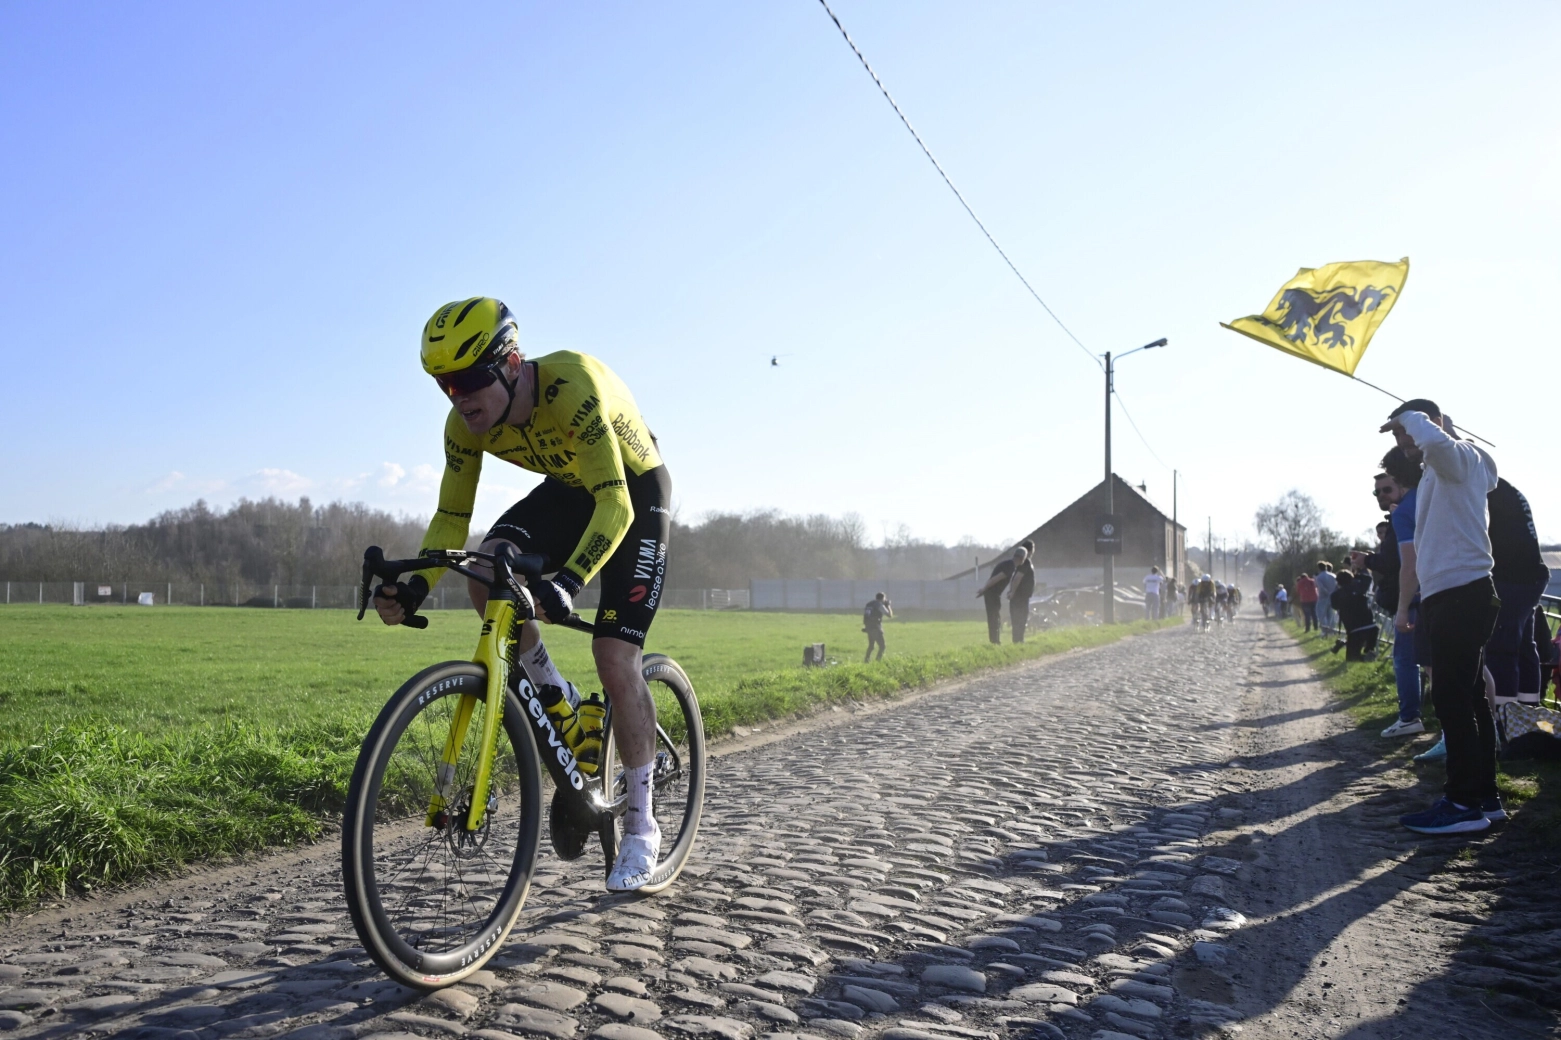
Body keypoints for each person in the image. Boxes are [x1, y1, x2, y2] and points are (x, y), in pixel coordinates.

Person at [374, 297, 672, 891]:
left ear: (510, 362)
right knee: (485, 575)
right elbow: (451, 517)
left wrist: (569, 582)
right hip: (566, 489)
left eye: (467, 379)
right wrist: (413, 589)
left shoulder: (571, 388)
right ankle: (556, 694)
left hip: (632, 495)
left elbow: (614, 503)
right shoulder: (464, 425)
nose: (458, 397)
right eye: (443, 385)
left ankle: (642, 828)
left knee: (615, 658)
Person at [1382, 400, 1501, 835]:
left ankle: (1462, 803)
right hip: (1452, 595)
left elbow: (1435, 440)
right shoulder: (1449, 466)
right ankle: (1484, 796)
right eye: (1397, 435)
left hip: (1460, 594)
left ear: (1427, 427)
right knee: (1468, 699)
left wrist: (1414, 421)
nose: (1401, 441)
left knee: (1451, 699)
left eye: (1402, 433)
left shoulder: (1456, 457)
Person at [1354, 456, 1424, 738]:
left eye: (1387, 489)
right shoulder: (1404, 511)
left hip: (1414, 596)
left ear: (1401, 484)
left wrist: (1368, 561)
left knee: (1406, 659)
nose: (1381, 495)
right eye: (1377, 492)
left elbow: (1400, 563)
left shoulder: (1404, 513)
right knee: (1423, 660)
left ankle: (1410, 717)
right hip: (1418, 593)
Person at [1485, 478, 1550, 705]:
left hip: (1512, 578)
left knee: (1501, 646)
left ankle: (1504, 714)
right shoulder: (1504, 488)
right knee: (1523, 646)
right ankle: (1528, 709)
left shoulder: (1487, 490)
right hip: (1529, 576)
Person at [1329, 568, 1380, 661]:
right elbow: (1368, 578)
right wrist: (1354, 576)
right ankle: (1368, 654)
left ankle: (1364, 656)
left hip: (1355, 631)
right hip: (1372, 627)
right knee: (1366, 650)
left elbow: (1334, 606)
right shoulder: (1360, 588)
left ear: (1338, 582)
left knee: (1352, 658)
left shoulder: (1335, 595)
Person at [977, 548, 1018, 644]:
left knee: (995, 617)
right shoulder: (1010, 566)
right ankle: (995, 642)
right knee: (994, 618)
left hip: (993, 594)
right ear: (1022, 559)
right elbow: (995, 579)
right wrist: (984, 589)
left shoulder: (1008, 564)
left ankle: (995, 641)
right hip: (992, 594)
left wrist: (985, 589)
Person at [1008, 541, 1037, 643]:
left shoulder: (1023, 562)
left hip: (1021, 597)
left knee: (1019, 621)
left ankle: (1018, 641)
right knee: (1020, 620)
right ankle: (1018, 642)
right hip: (1020, 598)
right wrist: (1012, 592)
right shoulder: (1025, 563)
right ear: (1030, 550)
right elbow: (1017, 578)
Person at [862, 592, 893, 662]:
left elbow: (866, 615)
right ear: (882, 598)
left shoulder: (869, 604)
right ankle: (877, 661)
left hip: (868, 626)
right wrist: (888, 605)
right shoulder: (879, 605)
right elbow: (889, 615)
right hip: (875, 626)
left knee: (871, 646)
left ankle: (866, 660)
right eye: (885, 599)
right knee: (882, 646)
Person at [1313, 562, 1338, 635]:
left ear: (1319, 568)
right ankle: (1332, 630)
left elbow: (1320, 588)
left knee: (1321, 614)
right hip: (1333, 597)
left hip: (1323, 597)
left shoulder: (1319, 577)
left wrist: (1327, 593)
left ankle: (1325, 630)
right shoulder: (1333, 575)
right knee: (1331, 615)